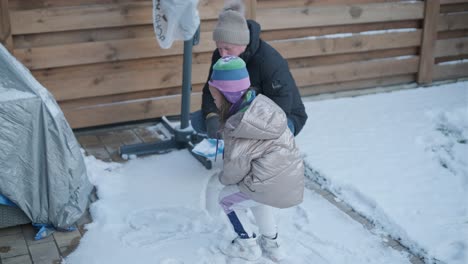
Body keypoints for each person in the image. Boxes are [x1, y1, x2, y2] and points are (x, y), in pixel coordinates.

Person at [208, 55, 304, 262]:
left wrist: (223, 178)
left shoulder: (239, 125)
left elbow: (235, 169)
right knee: (256, 197)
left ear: (226, 95)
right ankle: (272, 244)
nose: (213, 101)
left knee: (226, 199)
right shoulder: (260, 106)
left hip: (271, 183)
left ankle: (247, 246)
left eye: (214, 95)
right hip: (289, 179)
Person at [191, 0, 308, 138]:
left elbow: (281, 107)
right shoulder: (220, 56)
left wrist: (246, 128)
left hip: (283, 115)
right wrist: (212, 117)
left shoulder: (268, 61)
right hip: (240, 110)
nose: (222, 54)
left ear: (242, 43)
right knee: (199, 120)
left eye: (228, 48)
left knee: (280, 131)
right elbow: (210, 90)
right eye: (219, 47)